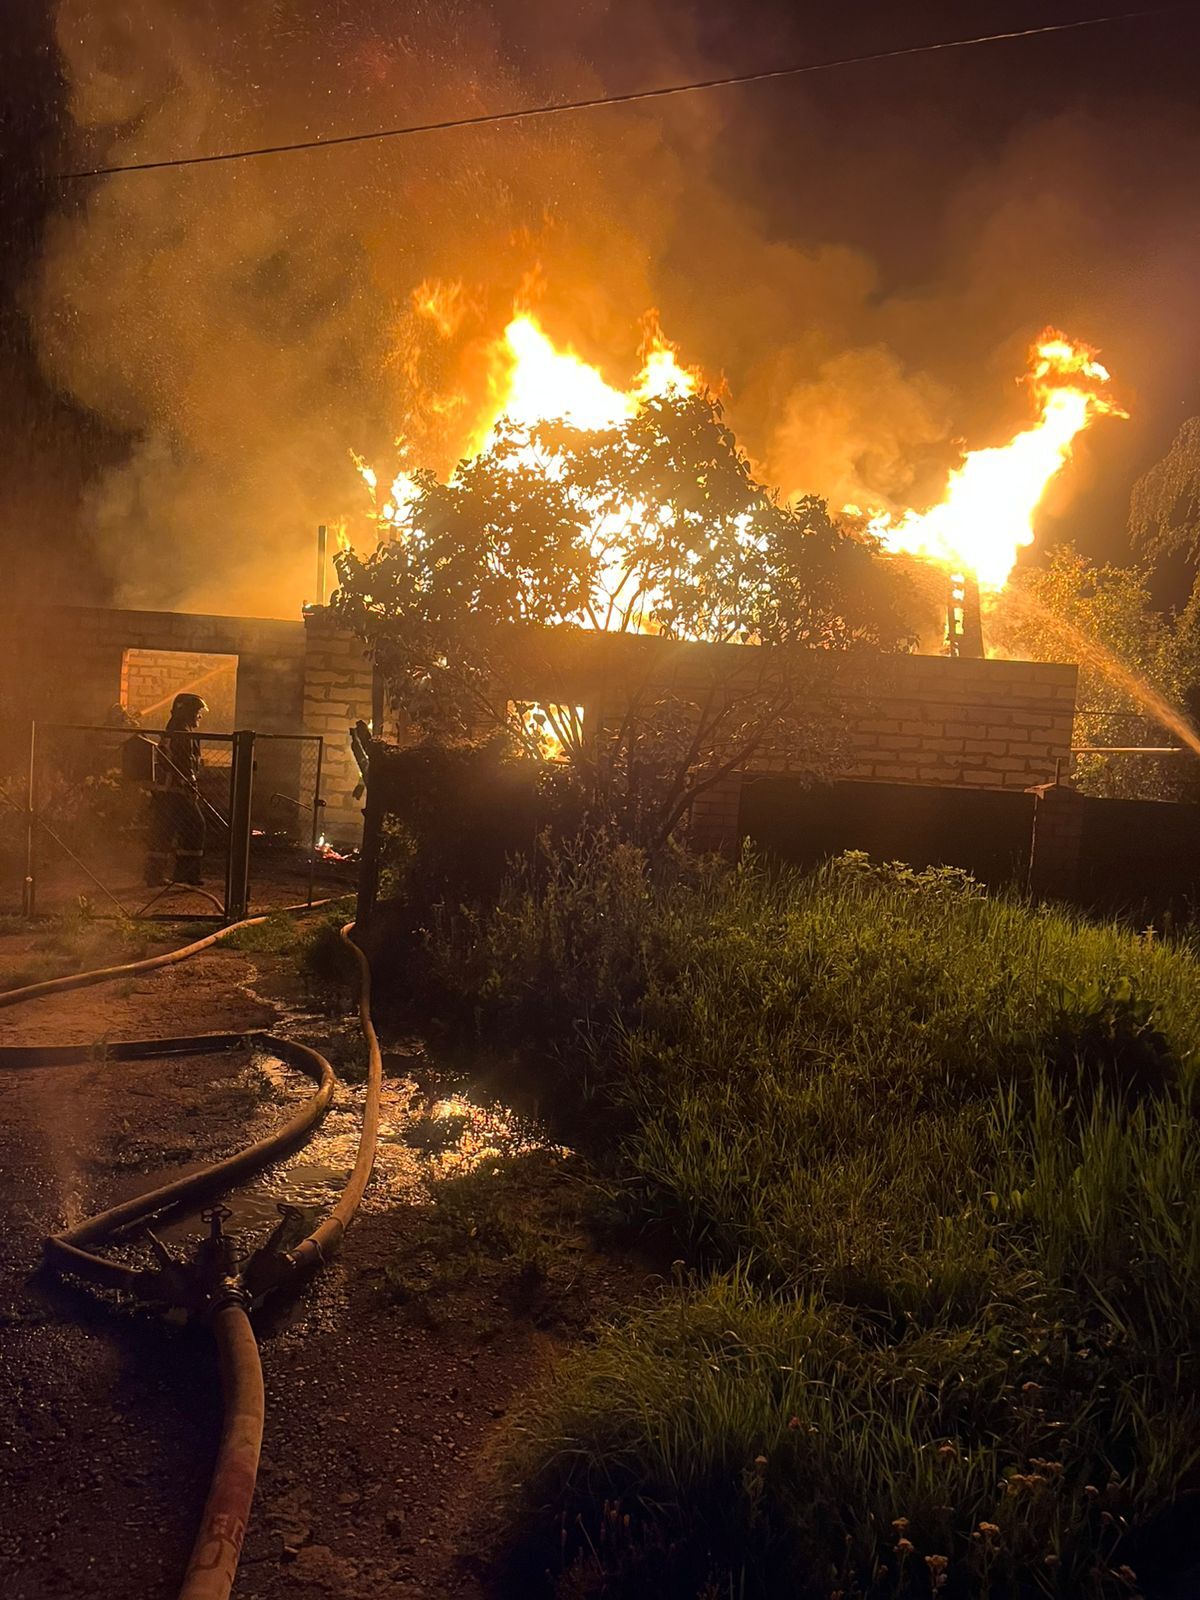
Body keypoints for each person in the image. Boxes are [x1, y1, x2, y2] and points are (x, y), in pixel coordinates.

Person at [145, 693, 208, 887]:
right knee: (195, 826)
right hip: (175, 791)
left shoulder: (180, 729)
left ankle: (158, 875)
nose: (200, 716)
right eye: (197, 712)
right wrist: (190, 784)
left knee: (167, 830)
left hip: (172, 790)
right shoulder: (181, 732)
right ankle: (184, 874)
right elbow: (183, 762)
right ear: (187, 712)